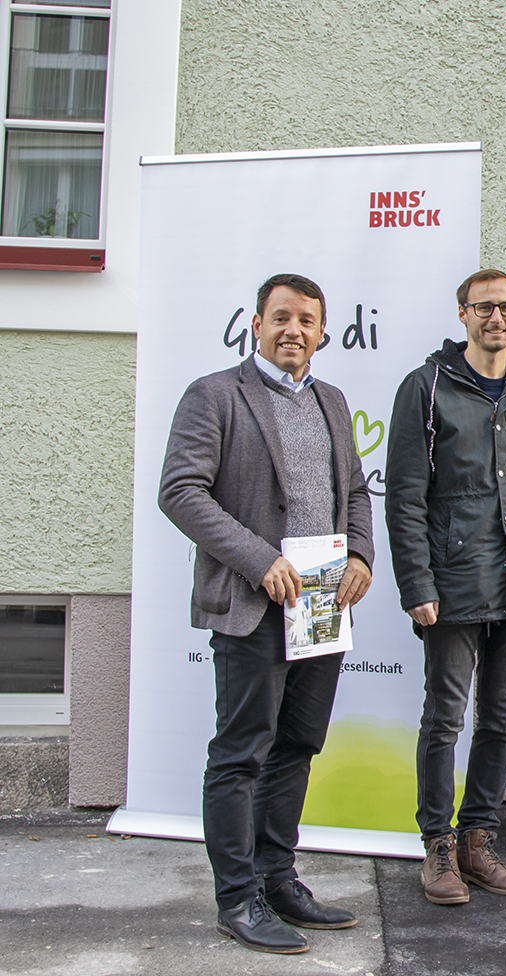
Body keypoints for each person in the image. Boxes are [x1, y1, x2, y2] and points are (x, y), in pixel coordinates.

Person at [159, 273, 373, 954]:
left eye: (307, 321)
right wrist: (257, 558)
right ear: (256, 324)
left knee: (297, 747)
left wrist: (362, 557)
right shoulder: (216, 396)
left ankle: (278, 879)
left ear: (321, 330)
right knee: (241, 754)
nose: (294, 330)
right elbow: (181, 492)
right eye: (281, 317)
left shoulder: (332, 400)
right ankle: (238, 897)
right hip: (254, 607)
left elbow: (356, 492)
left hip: (320, 608)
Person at [384, 269, 506, 905]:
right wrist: (416, 582)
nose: (497, 317)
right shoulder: (427, 387)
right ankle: (437, 847)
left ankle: (478, 841)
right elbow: (405, 497)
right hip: (455, 581)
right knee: (444, 716)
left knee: (501, 715)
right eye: (484, 307)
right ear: (462, 313)